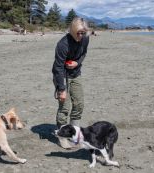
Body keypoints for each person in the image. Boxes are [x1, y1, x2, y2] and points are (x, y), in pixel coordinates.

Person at [52, 17, 89, 149]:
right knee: (65, 107)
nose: (80, 35)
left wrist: (77, 63)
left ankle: (74, 135)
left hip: (76, 74)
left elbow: (83, 54)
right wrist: (61, 89)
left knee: (79, 104)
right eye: (78, 33)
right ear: (72, 31)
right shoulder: (63, 44)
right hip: (62, 75)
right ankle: (62, 137)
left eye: (83, 33)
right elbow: (58, 68)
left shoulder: (85, 38)